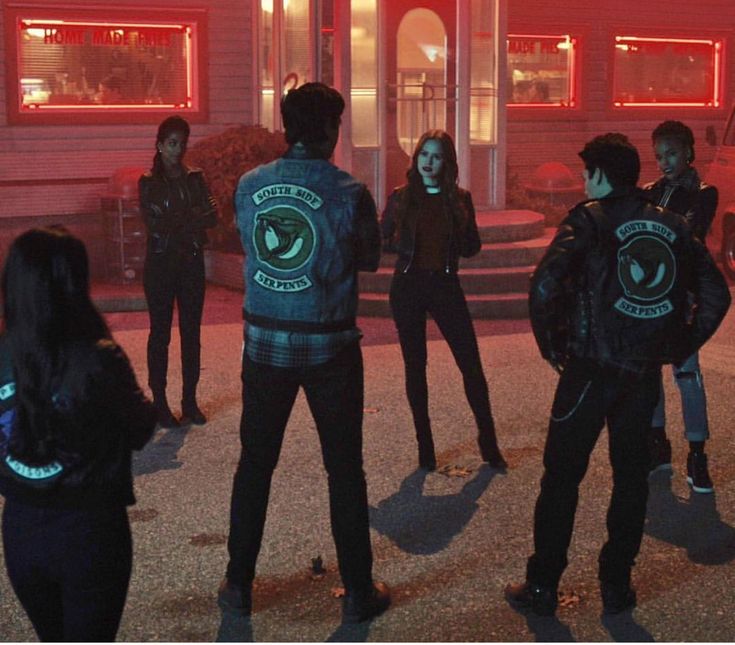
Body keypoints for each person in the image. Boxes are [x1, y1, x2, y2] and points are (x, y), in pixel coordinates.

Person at [504, 133, 730, 617]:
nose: (584, 181)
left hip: (588, 369)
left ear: (604, 175)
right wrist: (677, 346)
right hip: (640, 373)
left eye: (588, 173)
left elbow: (544, 285)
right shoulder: (670, 225)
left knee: (562, 477)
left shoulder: (588, 220)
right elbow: (716, 294)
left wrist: (553, 348)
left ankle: (544, 585)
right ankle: (617, 586)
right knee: (630, 480)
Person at [219, 82, 391, 624]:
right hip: (329, 344)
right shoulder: (349, 191)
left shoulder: (249, 186)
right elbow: (368, 259)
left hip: (266, 341)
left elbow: (250, 244)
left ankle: (238, 584)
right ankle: (359, 591)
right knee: (344, 470)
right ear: (330, 130)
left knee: (255, 464)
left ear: (287, 128)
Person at [0, 227, 157, 641]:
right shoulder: (97, 356)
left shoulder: (4, 352)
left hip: (21, 528)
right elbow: (141, 428)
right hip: (89, 528)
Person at [381, 130, 506, 472]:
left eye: (436, 157)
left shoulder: (459, 198)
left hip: (445, 286)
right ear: (416, 157)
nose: (428, 162)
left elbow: (471, 247)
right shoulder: (401, 196)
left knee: (471, 364)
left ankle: (488, 440)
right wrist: (400, 241)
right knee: (415, 366)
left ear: (446, 162)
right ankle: (426, 446)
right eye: (424, 154)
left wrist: (462, 224)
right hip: (408, 286)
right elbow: (384, 239)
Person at [644, 120, 719, 492]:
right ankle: (658, 444)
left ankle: (697, 452)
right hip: (651, 294)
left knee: (687, 375)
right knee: (650, 373)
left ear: (688, 151)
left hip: (683, 295)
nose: (664, 162)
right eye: (659, 156)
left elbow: (689, 234)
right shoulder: (650, 191)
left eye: (671, 153)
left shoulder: (704, 193)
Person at [139, 115, 217, 428]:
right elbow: (156, 222)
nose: (178, 149)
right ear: (159, 145)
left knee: (191, 333)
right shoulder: (149, 181)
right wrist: (189, 218)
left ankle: (189, 401)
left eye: (182, 143)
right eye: (172, 143)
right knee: (160, 334)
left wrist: (181, 220)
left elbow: (211, 216)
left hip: (190, 261)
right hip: (160, 264)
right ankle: (160, 402)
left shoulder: (194, 177)